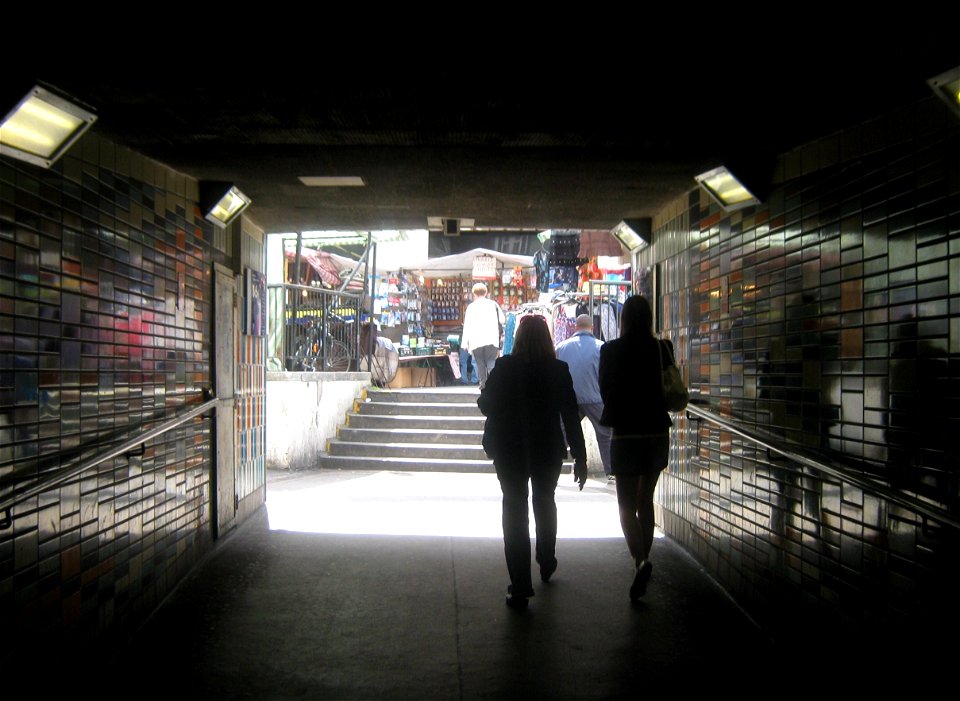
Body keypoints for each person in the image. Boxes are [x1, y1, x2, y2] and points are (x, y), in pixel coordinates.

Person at [478, 315, 588, 610]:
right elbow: (570, 415)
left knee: (514, 510)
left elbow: (485, 404)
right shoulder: (558, 369)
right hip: (547, 449)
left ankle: (521, 586)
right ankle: (546, 557)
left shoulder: (504, 367)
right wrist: (580, 455)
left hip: (510, 449)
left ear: (518, 338)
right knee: (544, 501)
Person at [598, 295, 673, 602]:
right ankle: (643, 560)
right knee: (646, 500)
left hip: (625, 434)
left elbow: (604, 389)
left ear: (624, 319)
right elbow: (671, 386)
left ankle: (640, 561)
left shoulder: (611, 350)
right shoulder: (662, 348)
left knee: (626, 505)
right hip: (656, 433)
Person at [555, 314, 613, 478]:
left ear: (575, 327)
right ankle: (611, 471)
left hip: (569, 400)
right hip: (595, 398)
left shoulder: (561, 347)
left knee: (563, 433)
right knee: (604, 436)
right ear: (592, 328)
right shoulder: (601, 346)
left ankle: (553, 466)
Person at [461, 282, 505, 389]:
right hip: (491, 338)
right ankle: (494, 383)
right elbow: (502, 320)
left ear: (474, 294)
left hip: (476, 340)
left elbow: (467, 325)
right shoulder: (493, 304)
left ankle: (483, 383)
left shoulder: (471, 307)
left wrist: (464, 343)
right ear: (486, 293)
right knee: (491, 362)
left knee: (480, 362)